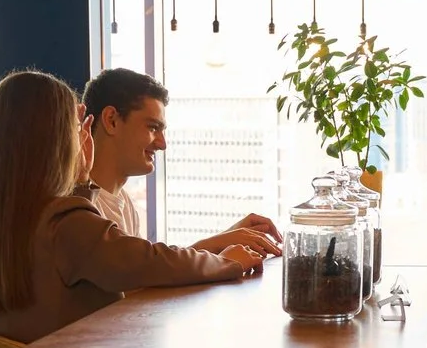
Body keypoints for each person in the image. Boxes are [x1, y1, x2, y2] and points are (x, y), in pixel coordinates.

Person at [0, 70, 275, 344]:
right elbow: (148, 263)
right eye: (74, 130)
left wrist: (80, 183)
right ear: (52, 141)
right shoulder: (65, 225)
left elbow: (120, 259)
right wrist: (226, 263)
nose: (81, 139)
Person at [79, 66, 279, 253]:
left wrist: (227, 238)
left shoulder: (124, 202)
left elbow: (146, 273)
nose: (162, 144)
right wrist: (221, 248)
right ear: (111, 120)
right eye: (152, 128)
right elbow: (139, 275)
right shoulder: (78, 207)